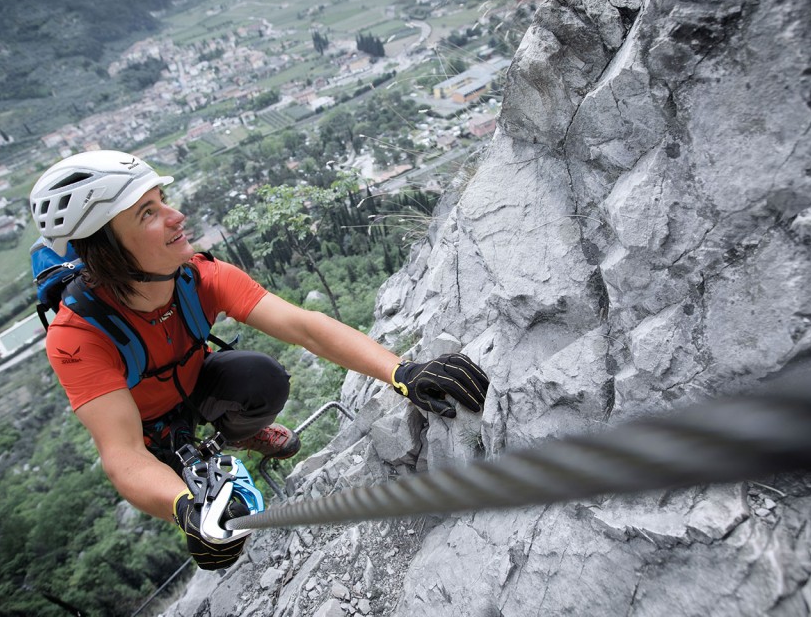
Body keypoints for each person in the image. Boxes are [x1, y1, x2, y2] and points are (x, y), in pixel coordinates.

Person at [29, 150, 490, 570]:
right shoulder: (79, 336)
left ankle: (240, 437)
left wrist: (402, 372)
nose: (176, 216)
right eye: (148, 213)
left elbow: (305, 326)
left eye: (162, 199)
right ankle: (190, 478)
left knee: (262, 378)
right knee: (224, 517)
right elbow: (123, 454)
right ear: (107, 251)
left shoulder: (198, 278)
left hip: (195, 388)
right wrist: (185, 509)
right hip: (147, 431)